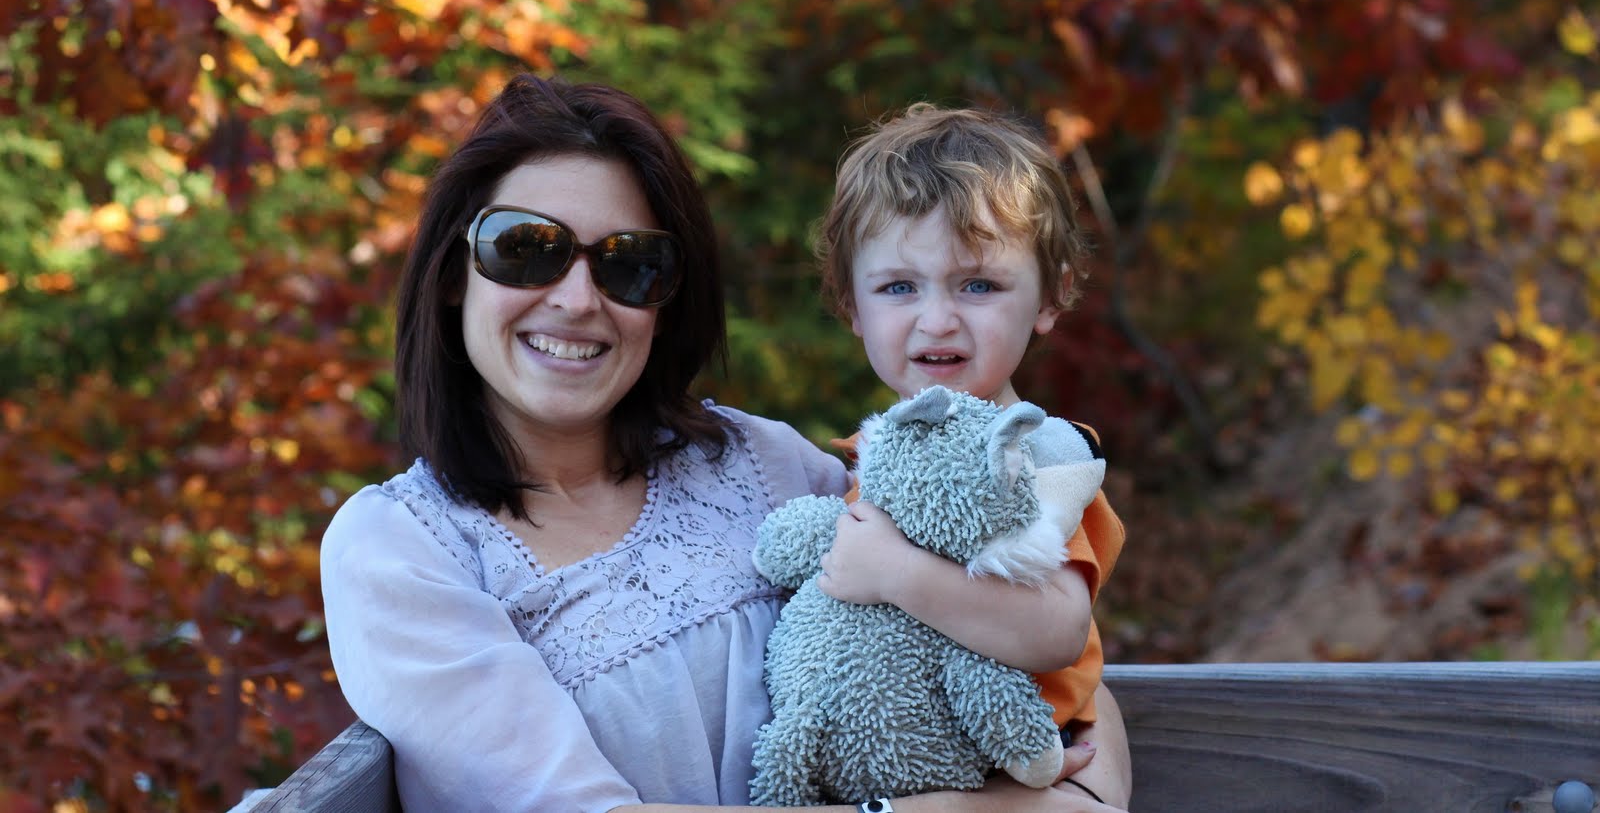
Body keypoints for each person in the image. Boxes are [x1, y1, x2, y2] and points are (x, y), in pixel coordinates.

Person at [319, 73, 1123, 812]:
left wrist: (1092, 792)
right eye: (527, 249)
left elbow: (1030, 639)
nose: (577, 299)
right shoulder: (403, 550)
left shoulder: (756, 463)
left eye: (630, 264)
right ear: (453, 271)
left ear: (666, 300)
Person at [811, 103, 1133, 809]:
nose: (937, 320)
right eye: (899, 287)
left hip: (1013, 769)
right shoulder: (873, 455)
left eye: (978, 285)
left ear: (1050, 295)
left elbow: (1056, 630)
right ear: (852, 306)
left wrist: (895, 572)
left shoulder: (1041, 459)